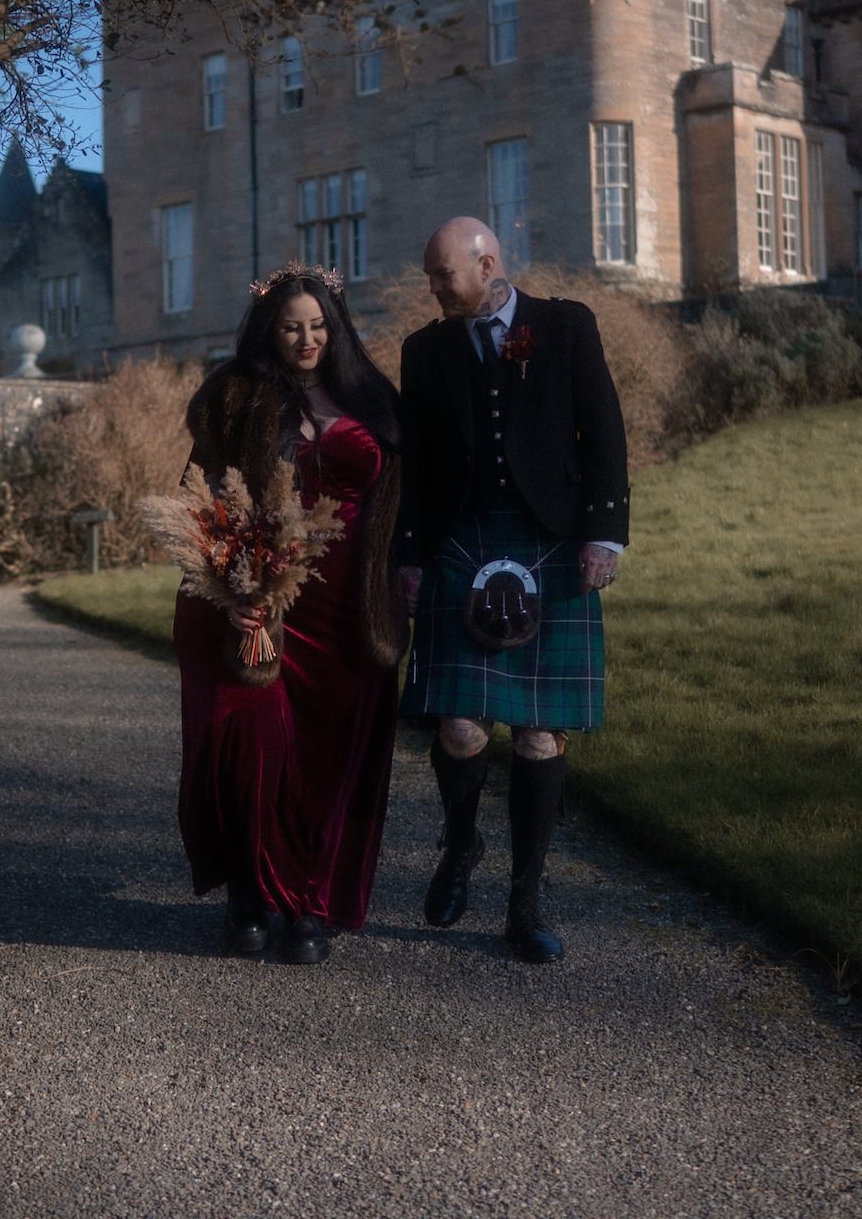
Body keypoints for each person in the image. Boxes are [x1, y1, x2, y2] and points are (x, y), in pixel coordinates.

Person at [393, 218, 628, 962]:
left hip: (551, 539)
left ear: (487, 262)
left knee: (537, 734)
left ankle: (524, 905)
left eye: (442, 275)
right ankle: (461, 844)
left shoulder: (565, 327)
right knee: (460, 727)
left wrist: (605, 532)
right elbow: (419, 465)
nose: (432, 288)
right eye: (431, 276)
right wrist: (408, 554)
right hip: (463, 540)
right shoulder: (424, 351)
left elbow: (604, 431)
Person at [173, 262, 407, 965]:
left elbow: (406, 502)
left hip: (349, 610)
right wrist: (234, 593)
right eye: (290, 326)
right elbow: (204, 505)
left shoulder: (374, 398)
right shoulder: (235, 398)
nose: (306, 338)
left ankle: (311, 902)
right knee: (248, 748)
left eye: (317, 325)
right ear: (268, 330)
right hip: (260, 602)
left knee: (334, 757)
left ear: (334, 326)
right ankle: (248, 892)